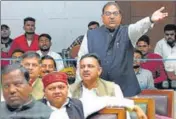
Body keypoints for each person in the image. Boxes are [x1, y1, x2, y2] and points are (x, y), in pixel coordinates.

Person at [76, 2, 168, 97]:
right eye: (108, 13)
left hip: (126, 91)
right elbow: (81, 61)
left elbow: (138, 27)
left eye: (115, 13)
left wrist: (150, 20)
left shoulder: (128, 32)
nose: (112, 17)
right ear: (102, 17)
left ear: (120, 16)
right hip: (98, 92)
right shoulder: (91, 35)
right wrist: (79, 88)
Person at [40, 71, 146, 119]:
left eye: (61, 87)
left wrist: (134, 107)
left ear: (67, 89)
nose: (57, 91)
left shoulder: (79, 105)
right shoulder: (34, 109)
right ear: (44, 92)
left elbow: (108, 100)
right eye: (52, 89)